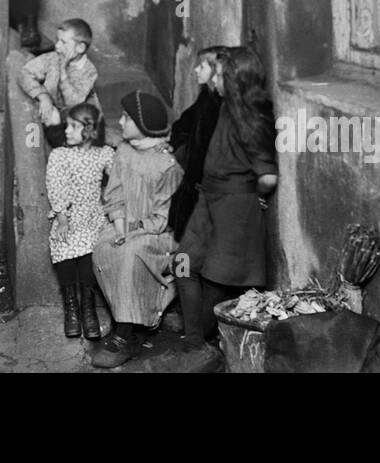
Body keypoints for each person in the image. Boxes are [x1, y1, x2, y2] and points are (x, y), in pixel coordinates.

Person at [170, 45, 278, 373]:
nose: (212, 78)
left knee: (217, 278)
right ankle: (195, 341)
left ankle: (198, 349)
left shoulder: (253, 115)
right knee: (183, 263)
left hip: (233, 207)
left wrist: (253, 197)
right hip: (207, 201)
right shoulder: (223, 106)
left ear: (233, 78)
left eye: (218, 73)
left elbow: (268, 176)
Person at [90, 90, 182, 369]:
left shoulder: (168, 166)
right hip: (125, 225)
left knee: (131, 254)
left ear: (142, 124)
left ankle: (126, 335)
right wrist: (119, 227)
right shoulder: (124, 152)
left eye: (127, 118)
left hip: (156, 234)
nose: (120, 122)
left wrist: (132, 232)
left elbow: (162, 219)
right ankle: (131, 316)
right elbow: (113, 196)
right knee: (104, 246)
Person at [46, 103, 113, 340]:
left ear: (89, 129)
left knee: (88, 262)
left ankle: (88, 308)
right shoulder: (59, 155)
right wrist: (62, 219)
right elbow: (55, 187)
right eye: (67, 125)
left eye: (74, 127)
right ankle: (71, 307)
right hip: (69, 217)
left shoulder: (103, 153)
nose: (67, 131)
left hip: (93, 217)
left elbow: (118, 177)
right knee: (64, 254)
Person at [168, 45, 229, 242]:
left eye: (202, 66)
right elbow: (184, 122)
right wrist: (177, 146)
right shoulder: (206, 96)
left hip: (207, 185)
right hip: (193, 177)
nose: (196, 70)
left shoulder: (222, 106)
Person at [16, 18, 98, 148]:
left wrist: (63, 73)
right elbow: (25, 73)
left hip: (75, 114)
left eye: (63, 42)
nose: (57, 46)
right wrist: (43, 96)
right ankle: (59, 148)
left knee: (83, 127)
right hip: (54, 110)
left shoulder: (89, 71)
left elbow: (73, 102)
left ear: (80, 47)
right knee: (51, 115)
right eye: (57, 40)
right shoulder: (52, 58)